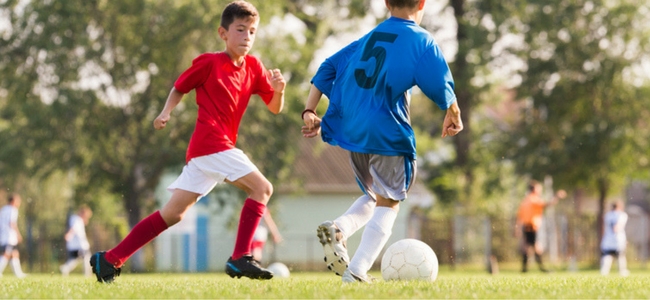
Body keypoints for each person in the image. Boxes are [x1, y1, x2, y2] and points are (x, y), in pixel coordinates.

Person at [90, 0, 286, 283]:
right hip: (212, 145)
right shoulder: (209, 62)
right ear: (223, 33)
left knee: (173, 214)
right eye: (240, 30)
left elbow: (274, 107)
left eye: (252, 32)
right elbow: (180, 87)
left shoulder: (254, 67)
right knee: (262, 188)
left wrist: (280, 91)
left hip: (206, 153)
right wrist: (165, 112)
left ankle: (109, 259)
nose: (247, 37)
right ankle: (240, 257)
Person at [301, 0, 462, 283]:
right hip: (386, 130)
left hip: (354, 131)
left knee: (375, 196)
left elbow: (328, 67)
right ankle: (357, 271)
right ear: (423, 3)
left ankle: (340, 228)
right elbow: (440, 83)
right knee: (390, 203)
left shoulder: (369, 37)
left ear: (387, 3)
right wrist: (453, 111)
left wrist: (310, 111)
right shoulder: (420, 39)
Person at [515, 180, 566, 273]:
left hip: (527, 226)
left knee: (529, 247)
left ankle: (525, 269)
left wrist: (517, 228)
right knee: (535, 247)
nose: (540, 190)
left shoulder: (525, 200)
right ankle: (541, 269)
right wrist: (556, 196)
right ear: (534, 189)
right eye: (539, 188)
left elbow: (519, 216)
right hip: (531, 226)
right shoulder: (533, 199)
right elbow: (547, 204)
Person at [60, 205, 93, 276]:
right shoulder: (77, 220)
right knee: (86, 259)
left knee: (75, 259)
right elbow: (74, 228)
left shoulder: (74, 218)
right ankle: (87, 274)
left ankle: (65, 268)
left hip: (73, 245)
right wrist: (69, 234)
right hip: (80, 245)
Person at [600, 200, 630, 276]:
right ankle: (622, 272)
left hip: (607, 239)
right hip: (618, 239)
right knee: (620, 256)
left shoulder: (608, 215)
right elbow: (617, 226)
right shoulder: (622, 215)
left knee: (607, 256)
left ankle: (604, 272)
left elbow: (605, 227)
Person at [0, 193, 26, 278]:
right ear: (13, 201)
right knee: (6, 254)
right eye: (17, 201)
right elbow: (12, 223)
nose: (19, 203)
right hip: (9, 236)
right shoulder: (13, 210)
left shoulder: (3, 209)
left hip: (4, 235)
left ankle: (18, 273)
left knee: (14, 253)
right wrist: (18, 234)